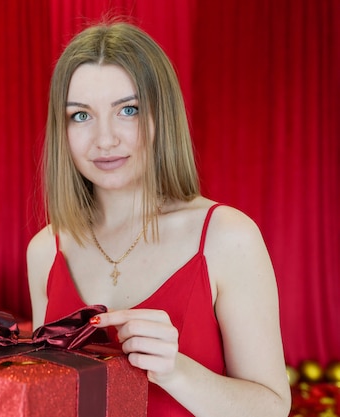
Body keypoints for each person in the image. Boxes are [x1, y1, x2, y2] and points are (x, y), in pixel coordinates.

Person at [26, 21, 291, 417]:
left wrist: (176, 372)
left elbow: (272, 407)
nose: (105, 139)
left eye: (128, 110)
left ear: (161, 117)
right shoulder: (46, 248)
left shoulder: (226, 236)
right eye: (81, 116)